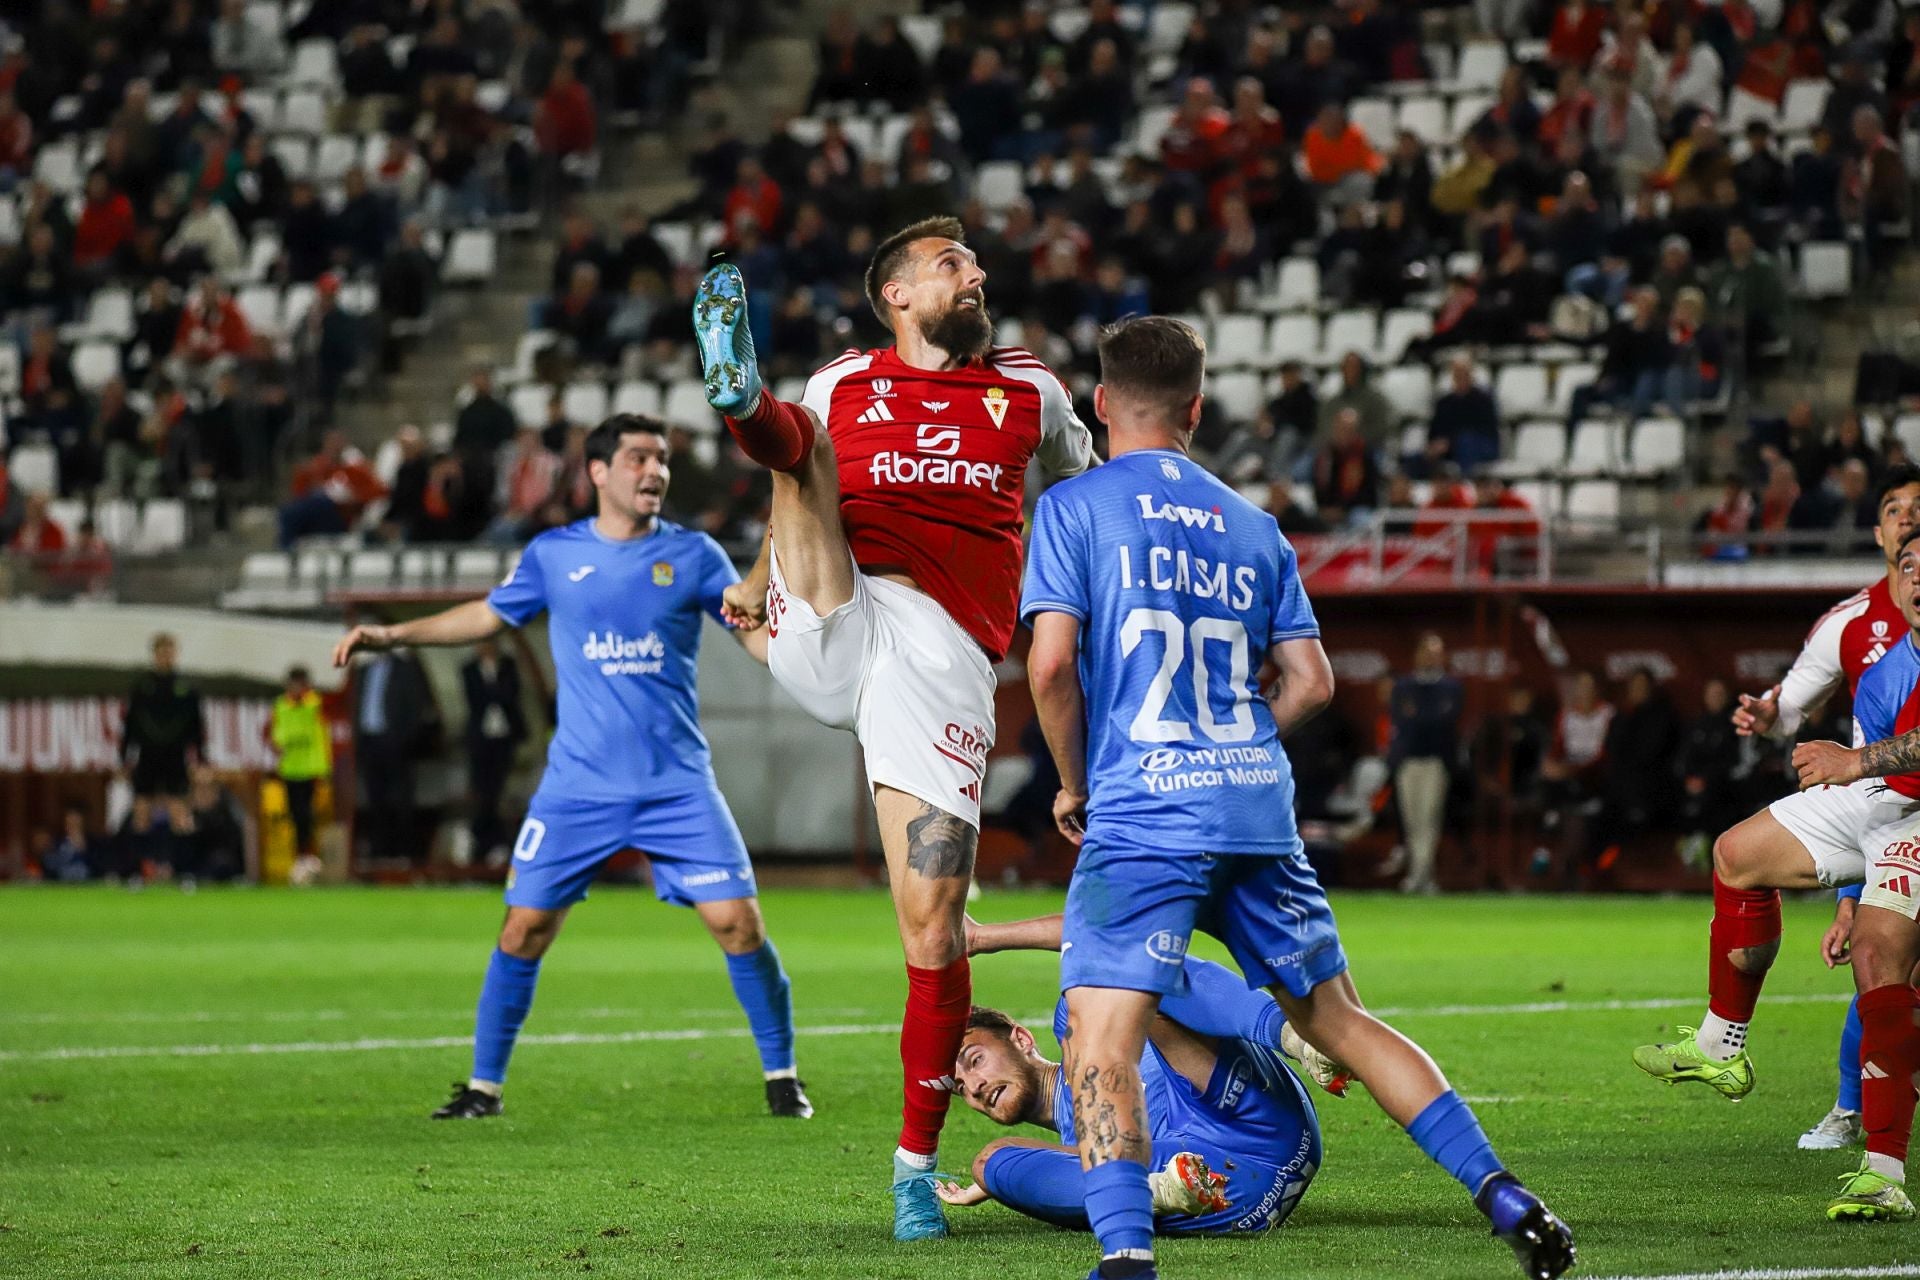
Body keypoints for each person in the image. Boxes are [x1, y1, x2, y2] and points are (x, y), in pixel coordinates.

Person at [1017, 315, 1572, 1280]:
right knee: (1341, 1021)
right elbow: (1309, 683)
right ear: (1197, 408)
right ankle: (1503, 1192)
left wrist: (1072, 782)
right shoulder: (1254, 524)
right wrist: (1232, 747)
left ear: (1100, 404)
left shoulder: (1075, 507)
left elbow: (1052, 664)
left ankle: (1125, 1260)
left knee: (1101, 1038)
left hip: (1143, 811)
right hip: (1254, 808)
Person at [692, 216, 1094, 1239]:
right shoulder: (844, 379)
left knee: (933, 917)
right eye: (953, 265)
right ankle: (742, 401)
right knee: (800, 443)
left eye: (975, 262)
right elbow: (800, 491)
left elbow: (1090, 497)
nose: (978, 274)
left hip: (941, 656)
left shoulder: (1030, 393)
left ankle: (913, 1168)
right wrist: (754, 579)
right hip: (839, 603)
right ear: (899, 295)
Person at [332, 415, 809, 1124]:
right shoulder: (554, 555)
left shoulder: (695, 555)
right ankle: (482, 1089)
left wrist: (820, 666)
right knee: (523, 929)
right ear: (596, 473)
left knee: (739, 924)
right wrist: (394, 634)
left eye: (661, 460)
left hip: (675, 783)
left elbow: (758, 642)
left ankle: (782, 1077)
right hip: (577, 787)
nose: (654, 472)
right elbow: (490, 616)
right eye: (638, 458)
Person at [1633, 466, 1920, 1156]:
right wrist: (1767, 715)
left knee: (1886, 966)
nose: (1907, 518)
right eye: (1894, 510)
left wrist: (1855, 764)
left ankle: (1876, 1143)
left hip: (1894, 799)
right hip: (1882, 802)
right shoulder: (1854, 631)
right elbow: (1791, 710)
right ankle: (1729, 1049)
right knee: (1738, 855)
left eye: (1919, 508)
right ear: (1878, 533)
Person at [940, 912, 1334, 1236]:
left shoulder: (1083, 1024)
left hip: (1260, 1121)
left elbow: (1104, 938)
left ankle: (1296, 1036)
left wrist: (981, 938)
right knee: (990, 1160)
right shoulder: (1081, 1152)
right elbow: (1047, 1162)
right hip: (1218, 1191)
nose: (974, 1087)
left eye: (974, 1060)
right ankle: (1155, 1190)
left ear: (1022, 1039)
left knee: (1109, 975)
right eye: (961, 1088)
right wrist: (1009, 1179)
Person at [1783, 530, 1920, 1220]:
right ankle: (1881, 1168)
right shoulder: (1886, 677)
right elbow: (1877, 798)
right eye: (1909, 564)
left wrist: (1854, 763)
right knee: (1876, 954)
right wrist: (1847, 898)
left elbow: (1865, 767)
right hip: (1914, 826)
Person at [121, 633, 206, 880]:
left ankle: (183, 871)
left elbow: (197, 727)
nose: (166, 657)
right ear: (154, 655)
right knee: (141, 813)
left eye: (170, 652)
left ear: (175, 654)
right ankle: (138, 872)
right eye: (161, 652)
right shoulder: (141, 687)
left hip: (175, 757)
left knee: (179, 813)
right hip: (147, 756)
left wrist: (200, 760)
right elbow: (129, 725)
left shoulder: (187, 688)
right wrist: (124, 758)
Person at [1385, 633, 1464, 895]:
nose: (1431, 657)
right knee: (1411, 819)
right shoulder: (1403, 686)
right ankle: (1423, 877)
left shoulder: (1451, 687)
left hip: (1435, 761)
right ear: (1417, 654)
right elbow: (1401, 719)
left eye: (1436, 652)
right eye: (1426, 651)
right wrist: (1426, 717)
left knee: (1429, 817)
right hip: (1408, 761)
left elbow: (1445, 721)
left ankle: (1418, 877)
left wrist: (1417, 715)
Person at [461, 636, 527, 864]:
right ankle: (486, 845)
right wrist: (495, 691)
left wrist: (492, 691)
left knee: (499, 792)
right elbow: (475, 699)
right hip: (480, 741)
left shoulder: (508, 665)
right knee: (483, 793)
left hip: (505, 739)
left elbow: (511, 695)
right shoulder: (468, 669)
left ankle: (495, 845)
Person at [269, 665, 330, 865]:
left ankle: (309, 855)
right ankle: (301, 856)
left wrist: (284, 740)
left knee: (307, 813)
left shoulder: (313, 704)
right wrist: (278, 742)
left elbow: (300, 733)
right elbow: (275, 734)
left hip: (311, 768)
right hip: (290, 768)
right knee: (295, 814)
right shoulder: (281, 704)